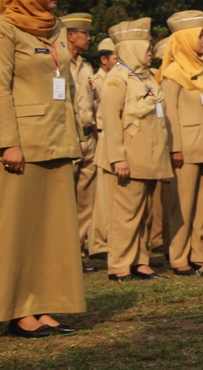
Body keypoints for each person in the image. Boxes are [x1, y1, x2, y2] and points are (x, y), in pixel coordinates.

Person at [0, 0, 85, 337]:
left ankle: (45, 304)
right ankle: (18, 308)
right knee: (19, 230)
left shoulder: (55, 27)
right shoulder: (4, 30)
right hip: (23, 144)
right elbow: (0, 89)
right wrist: (9, 142)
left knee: (53, 230)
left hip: (57, 139)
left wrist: (72, 134)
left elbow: (66, 85)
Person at [100, 18, 172, 280]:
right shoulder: (116, 80)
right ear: (131, 48)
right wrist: (118, 158)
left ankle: (140, 260)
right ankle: (119, 265)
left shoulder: (148, 78)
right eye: (145, 46)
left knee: (143, 214)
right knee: (125, 215)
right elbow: (110, 122)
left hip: (149, 157)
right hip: (128, 157)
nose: (150, 51)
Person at [158, 10, 203, 276]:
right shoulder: (172, 72)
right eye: (200, 36)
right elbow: (169, 114)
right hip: (186, 148)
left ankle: (198, 253)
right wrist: (175, 147)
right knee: (182, 206)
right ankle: (179, 255)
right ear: (185, 39)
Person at [63, 13, 98, 259]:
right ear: (71, 35)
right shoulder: (57, 62)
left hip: (89, 136)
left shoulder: (86, 66)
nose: (89, 38)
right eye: (85, 33)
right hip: (67, 136)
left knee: (86, 199)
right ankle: (59, 253)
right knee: (64, 199)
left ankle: (75, 252)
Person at [89, 37, 117, 259]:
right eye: (115, 57)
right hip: (100, 135)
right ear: (104, 59)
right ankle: (98, 242)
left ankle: (107, 240)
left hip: (112, 135)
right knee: (101, 195)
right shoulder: (96, 79)